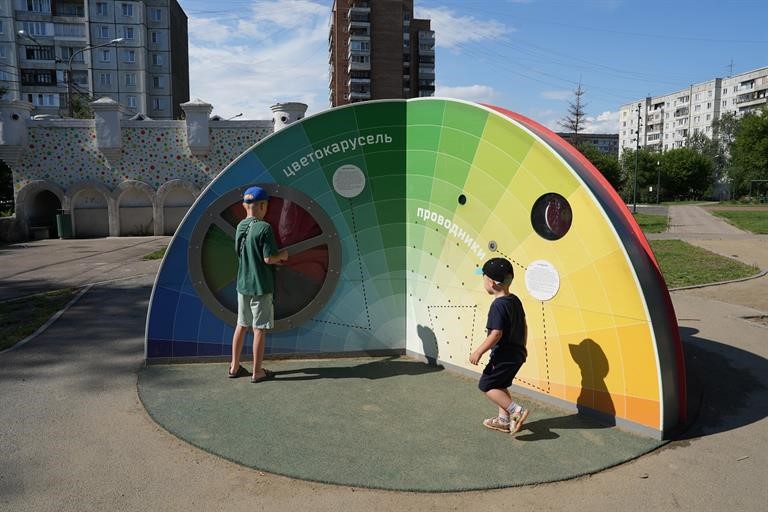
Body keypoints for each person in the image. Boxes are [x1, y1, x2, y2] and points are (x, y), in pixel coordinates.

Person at [229, 186, 288, 383]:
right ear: (263, 205)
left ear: (244, 206)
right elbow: (269, 258)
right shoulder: (264, 227)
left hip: (242, 285)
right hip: (261, 286)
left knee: (241, 325)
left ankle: (234, 367)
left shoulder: (240, 226)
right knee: (259, 329)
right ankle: (257, 372)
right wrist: (283, 255)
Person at [469, 257, 529, 435]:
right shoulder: (514, 300)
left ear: (492, 283)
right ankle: (503, 420)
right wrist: (523, 347)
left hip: (504, 356)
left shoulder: (498, 305)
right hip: (517, 354)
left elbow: (496, 333)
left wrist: (478, 351)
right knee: (500, 384)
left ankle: (516, 411)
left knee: (487, 385)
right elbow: (524, 325)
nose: (483, 282)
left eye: (483, 278)